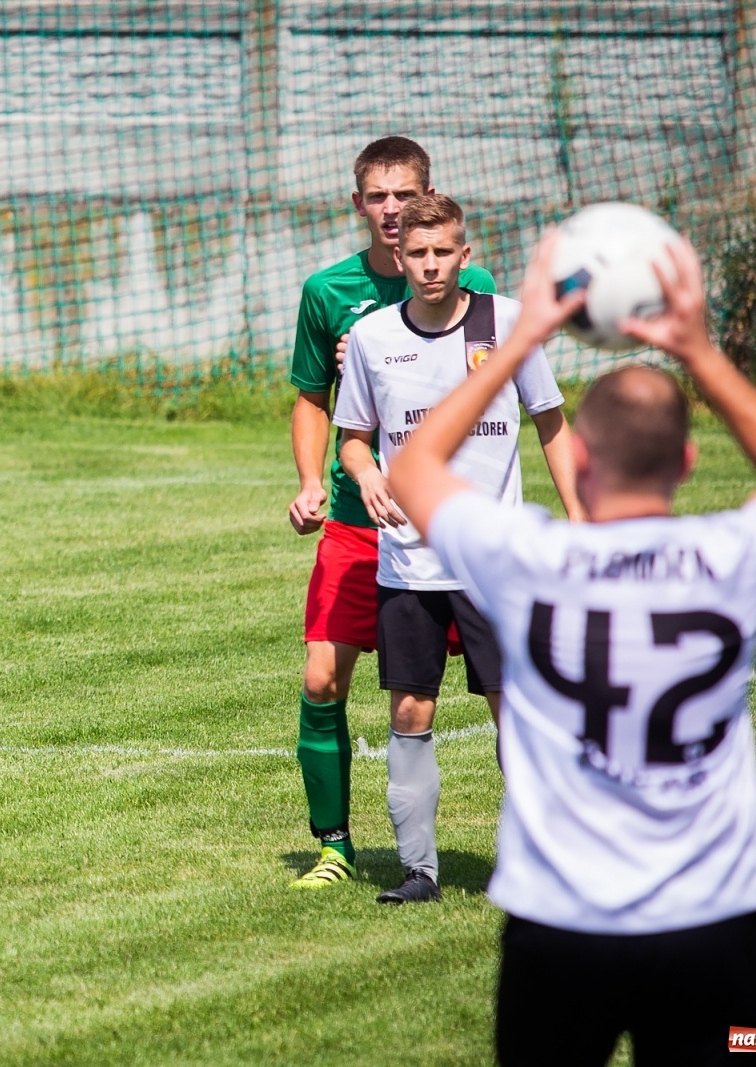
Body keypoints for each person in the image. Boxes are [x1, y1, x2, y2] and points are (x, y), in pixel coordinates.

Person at [387, 234, 756, 1062]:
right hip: (713, 921)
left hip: (559, 921)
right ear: (688, 460)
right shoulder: (730, 560)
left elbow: (413, 468)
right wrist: (699, 351)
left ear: (580, 457)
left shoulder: (529, 561)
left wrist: (519, 337)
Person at [333, 194, 583, 903]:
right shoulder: (374, 337)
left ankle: (542, 858)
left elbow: (551, 422)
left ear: (464, 255)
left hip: (493, 563)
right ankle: (419, 871)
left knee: (515, 710)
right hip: (409, 562)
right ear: (399, 256)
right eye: (417, 253)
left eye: (443, 252)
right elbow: (352, 438)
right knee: (410, 713)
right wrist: (367, 473)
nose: (431, 265)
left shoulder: (505, 323)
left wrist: (581, 518)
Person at [287, 137, 497, 889]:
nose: (391, 209)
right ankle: (335, 846)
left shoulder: (475, 288)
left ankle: (537, 846)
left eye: (404, 194)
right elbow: (312, 398)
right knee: (321, 680)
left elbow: (486, 392)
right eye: (377, 196)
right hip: (357, 519)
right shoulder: (327, 291)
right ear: (358, 204)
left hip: (448, 527)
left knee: (500, 692)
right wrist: (310, 480)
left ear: (428, 197)